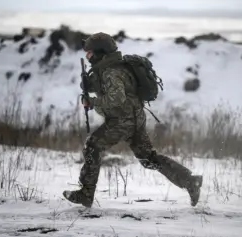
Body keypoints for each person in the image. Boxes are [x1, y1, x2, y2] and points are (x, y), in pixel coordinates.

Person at [63, 32, 203, 208]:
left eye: (90, 52)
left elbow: (116, 99)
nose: (87, 55)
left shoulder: (110, 72)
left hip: (123, 120)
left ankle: (85, 194)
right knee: (148, 158)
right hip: (136, 117)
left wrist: (92, 101)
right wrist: (90, 85)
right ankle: (190, 181)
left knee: (93, 145)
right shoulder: (116, 67)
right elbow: (118, 89)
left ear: (100, 52)